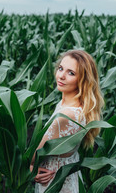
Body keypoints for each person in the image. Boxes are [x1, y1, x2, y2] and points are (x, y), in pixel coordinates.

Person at [30, 49, 104, 193]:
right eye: (60, 68)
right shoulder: (77, 107)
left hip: (53, 182)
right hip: (68, 177)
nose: (61, 76)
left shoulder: (66, 116)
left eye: (71, 73)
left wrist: (31, 168)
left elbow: (35, 156)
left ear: (83, 80)